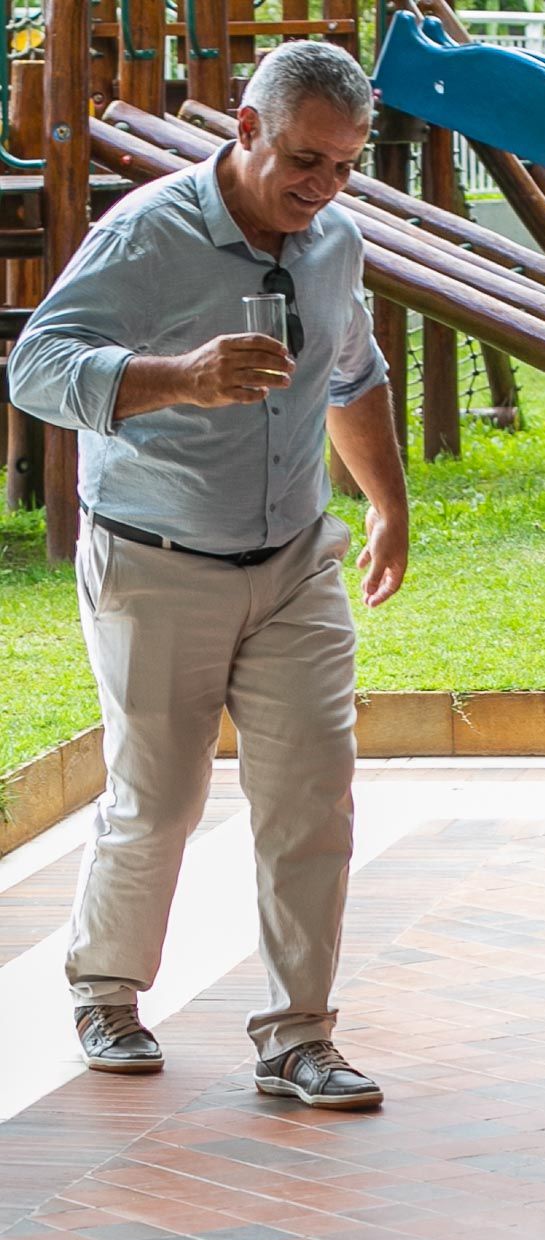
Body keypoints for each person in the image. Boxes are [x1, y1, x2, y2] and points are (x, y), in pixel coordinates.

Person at [10, 39, 407, 1109]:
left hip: (292, 563)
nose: (321, 189)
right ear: (244, 127)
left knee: (313, 796)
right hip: (157, 558)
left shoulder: (335, 243)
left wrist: (388, 506)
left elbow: (353, 373)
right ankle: (105, 987)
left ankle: (299, 1037)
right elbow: (36, 364)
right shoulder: (145, 234)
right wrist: (176, 377)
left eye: (343, 167)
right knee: (161, 796)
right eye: (303, 161)